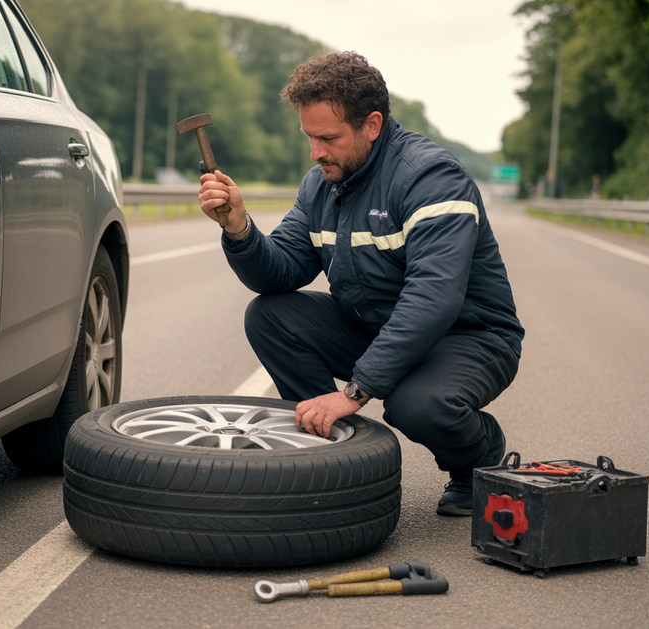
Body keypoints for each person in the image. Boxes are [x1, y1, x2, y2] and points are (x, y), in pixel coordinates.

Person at [197, 51, 524, 516]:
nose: (316, 153)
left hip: (468, 336)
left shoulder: (430, 178)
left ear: (372, 124)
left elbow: (433, 299)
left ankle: (479, 459)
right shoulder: (320, 185)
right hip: (376, 326)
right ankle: (327, 461)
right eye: (309, 138)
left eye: (328, 138)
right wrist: (238, 227)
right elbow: (281, 271)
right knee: (271, 316)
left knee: (416, 405)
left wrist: (354, 392)